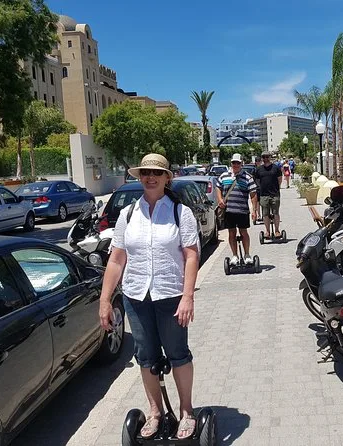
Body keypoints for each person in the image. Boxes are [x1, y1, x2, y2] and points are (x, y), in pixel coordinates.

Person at [99, 153, 199, 440]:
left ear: (167, 178)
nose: (150, 177)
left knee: (178, 354)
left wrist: (188, 297)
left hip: (171, 296)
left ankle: (187, 411)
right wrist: (105, 300)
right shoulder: (128, 214)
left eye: (156, 173)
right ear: (139, 177)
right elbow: (116, 259)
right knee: (145, 356)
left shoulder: (181, 213)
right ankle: (155, 412)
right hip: (136, 297)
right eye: (145, 173)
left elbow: (191, 256)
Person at [217, 153, 258, 265]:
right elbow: (218, 187)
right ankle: (234, 255)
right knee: (231, 233)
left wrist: (254, 211)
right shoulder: (224, 176)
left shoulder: (247, 177)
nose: (235, 165)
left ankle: (247, 254)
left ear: (241, 164)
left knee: (244, 232)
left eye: (238, 163)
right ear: (231, 163)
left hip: (242, 210)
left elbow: (253, 194)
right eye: (234, 163)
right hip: (229, 210)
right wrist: (220, 199)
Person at [254, 151, 282, 238]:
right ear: (262, 158)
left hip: (274, 194)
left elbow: (280, 179)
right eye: (264, 157)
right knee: (265, 214)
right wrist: (261, 188)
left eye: (267, 157)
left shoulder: (276, 168)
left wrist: (276, 188)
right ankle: (267, 231)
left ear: (270, 157)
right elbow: (257, 181)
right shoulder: (259, 169)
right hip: (264, 195)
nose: (265, 158)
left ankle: (277, 230)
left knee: (275, 213)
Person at [253, 156, 263, 222]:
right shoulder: (254, 170)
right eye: (257, 161)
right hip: (257, 187)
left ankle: (264, 215)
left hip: (262, 187)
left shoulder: (263, 169)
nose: (258, 162)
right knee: (257, 203)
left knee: (263, 202)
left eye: (259, 161)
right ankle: (259, 215)